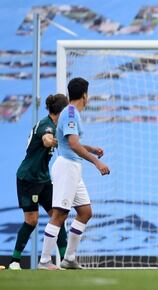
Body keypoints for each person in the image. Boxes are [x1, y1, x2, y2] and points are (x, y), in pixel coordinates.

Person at [38, 78, 110, 270]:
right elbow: (72, 144)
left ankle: (69, 259)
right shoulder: (70, 113)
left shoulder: (71, 113)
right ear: (85, 95)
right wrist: (96, 161)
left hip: (73, 167)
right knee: (60, 214)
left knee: (85, 212)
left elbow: (69, 141)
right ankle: (44, 260)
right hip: (67, 167)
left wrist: (91, 149)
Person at [8, 94, 69, 270]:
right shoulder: (47, 126)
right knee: (32, 220)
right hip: (28, 178)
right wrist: (57, 143)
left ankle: (65, 259)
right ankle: (15, 261)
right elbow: (46, 139)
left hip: (43, 178)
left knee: (59, 215)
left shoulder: (55, 125)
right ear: (62, 111)